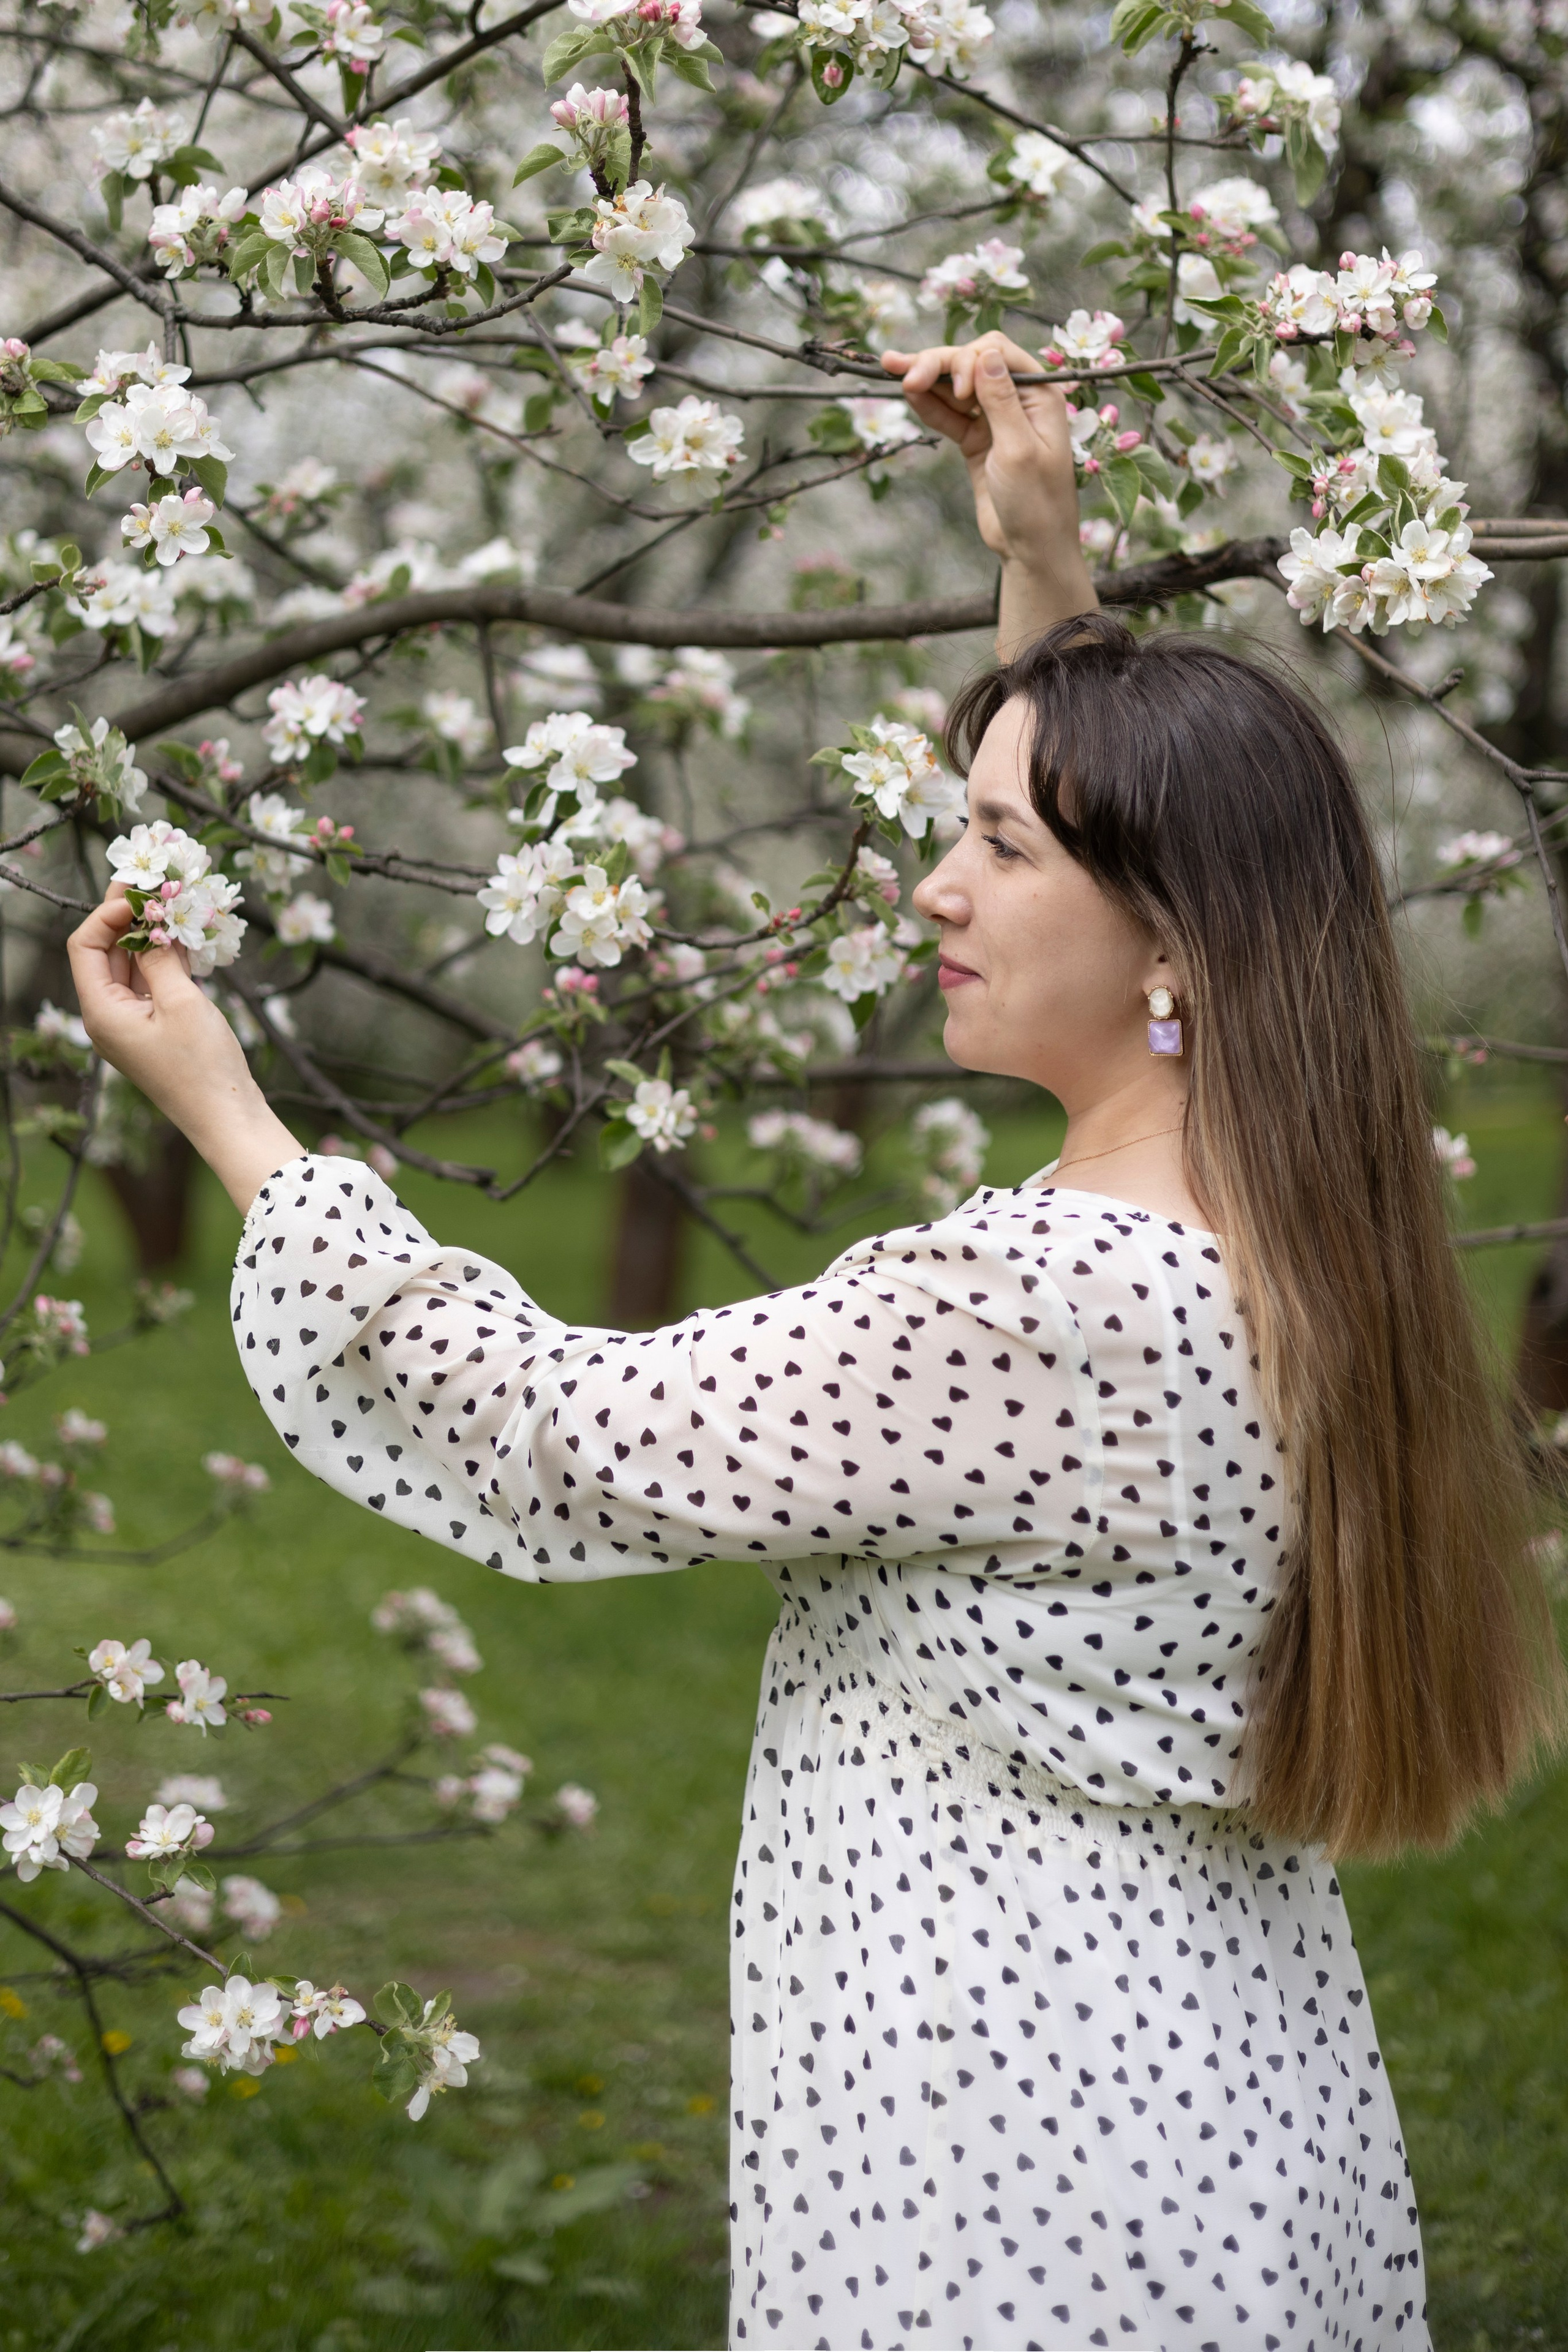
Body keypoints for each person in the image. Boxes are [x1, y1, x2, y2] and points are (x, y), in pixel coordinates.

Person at [69, 331, 1562, 2352]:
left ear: (1182, 945)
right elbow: (1163, 832)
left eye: (997, 849)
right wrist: (1047, 563)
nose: (931, 887)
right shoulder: (1301, 1232)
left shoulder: (1039, 1310)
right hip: (1213, 2082)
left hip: (1005, 2150)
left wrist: (233, 1119)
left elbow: (544, 1430)